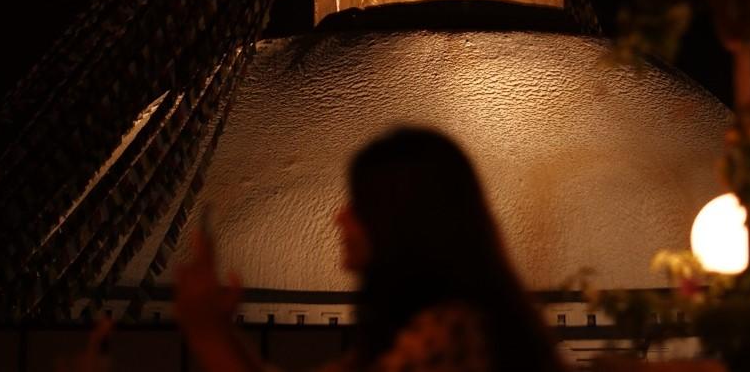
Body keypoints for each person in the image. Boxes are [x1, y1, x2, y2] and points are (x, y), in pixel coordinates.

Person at [175, 127, 566, 371]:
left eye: (360, 205)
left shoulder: (453, 331)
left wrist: (207, 332)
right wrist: (219, 329)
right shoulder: (419, 327)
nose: (340, 218)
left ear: (400, 219)